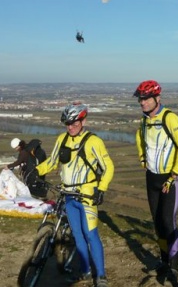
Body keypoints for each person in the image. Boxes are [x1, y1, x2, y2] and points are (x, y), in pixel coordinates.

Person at [35, 102, 114, 287]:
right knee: (78, 236)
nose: (70, 127)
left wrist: (101, 189)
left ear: (83, 120)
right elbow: (52, 162)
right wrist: (35, 171)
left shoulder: (94, 141)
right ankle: (85, 271)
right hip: (68, 195)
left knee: (91, 234)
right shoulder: (62, 139)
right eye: (67, 124)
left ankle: (101, 276)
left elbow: (108, 167)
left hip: (87, 195)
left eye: (74, 123)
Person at [134, 80, 178, 286]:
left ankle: (174, 266)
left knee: (168, 221)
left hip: (170, 178)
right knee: (157, 222)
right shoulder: (144, 121)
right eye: (140, 99)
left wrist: (175, 173)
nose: (142, 102)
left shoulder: (169, 118)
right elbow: (139, 138)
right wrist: (142, 158)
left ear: (157, 98)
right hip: (152, 177)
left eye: (146, 98)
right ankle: (164, 260)